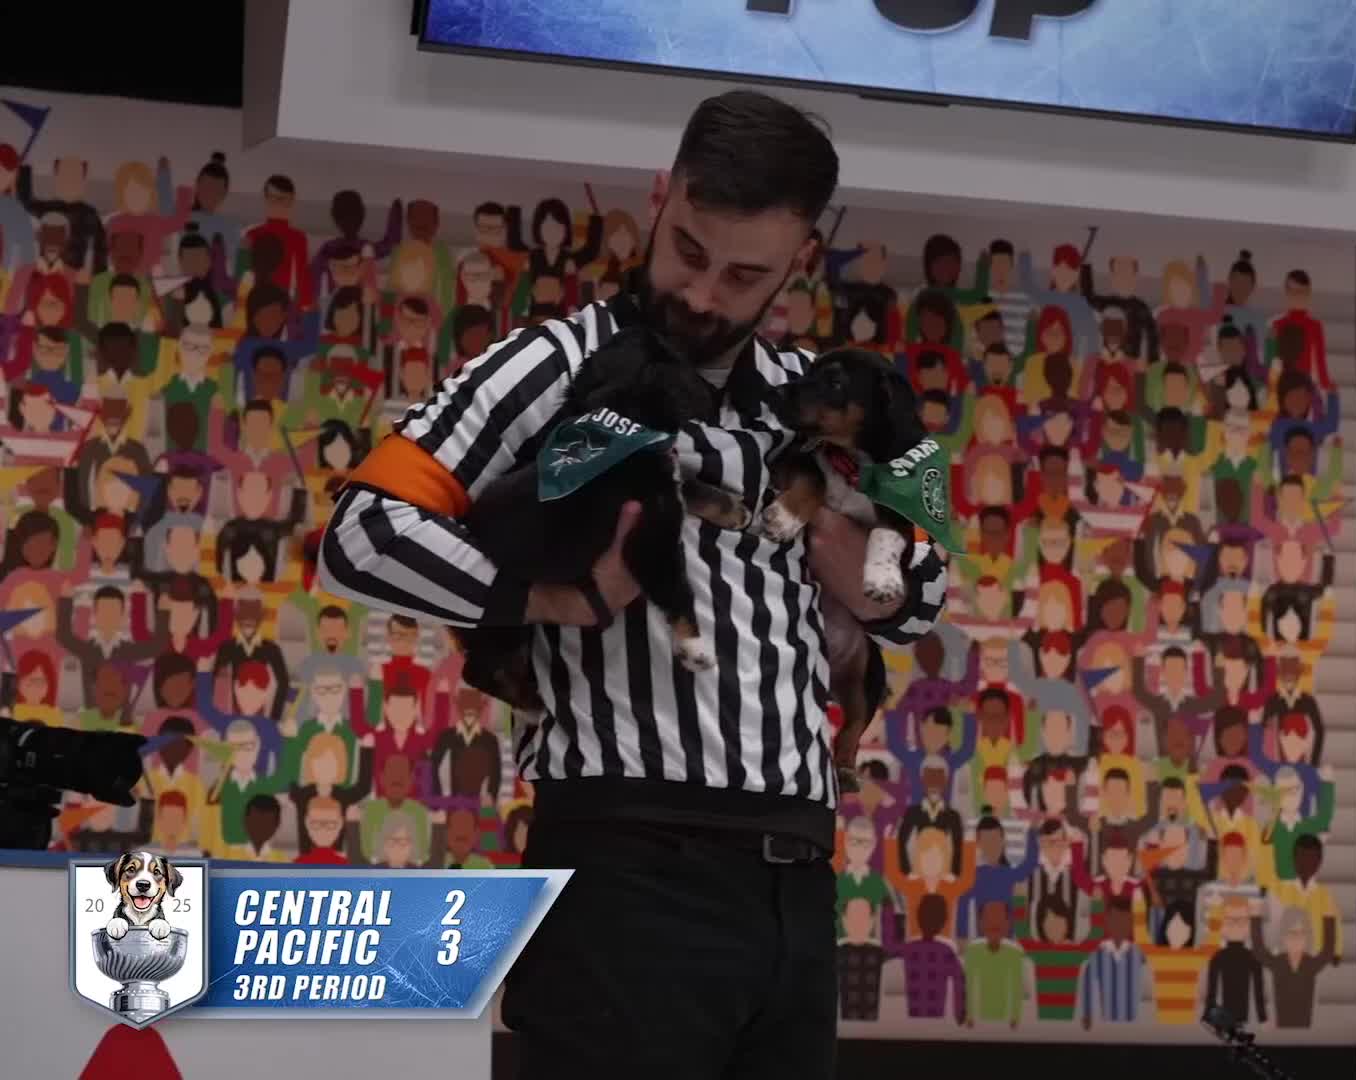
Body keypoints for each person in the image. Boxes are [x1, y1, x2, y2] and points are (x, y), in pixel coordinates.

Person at [317, 90, 949, 1078]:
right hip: (624, 870)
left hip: (798, 874)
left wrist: (837, 536)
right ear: (660, 199)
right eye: (688, 250)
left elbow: (926, 591)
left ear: (800, 261)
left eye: (744, 274)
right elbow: (362, 533)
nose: (702, 293)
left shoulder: (821, 393)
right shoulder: (551, 362)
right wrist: (552, 600)